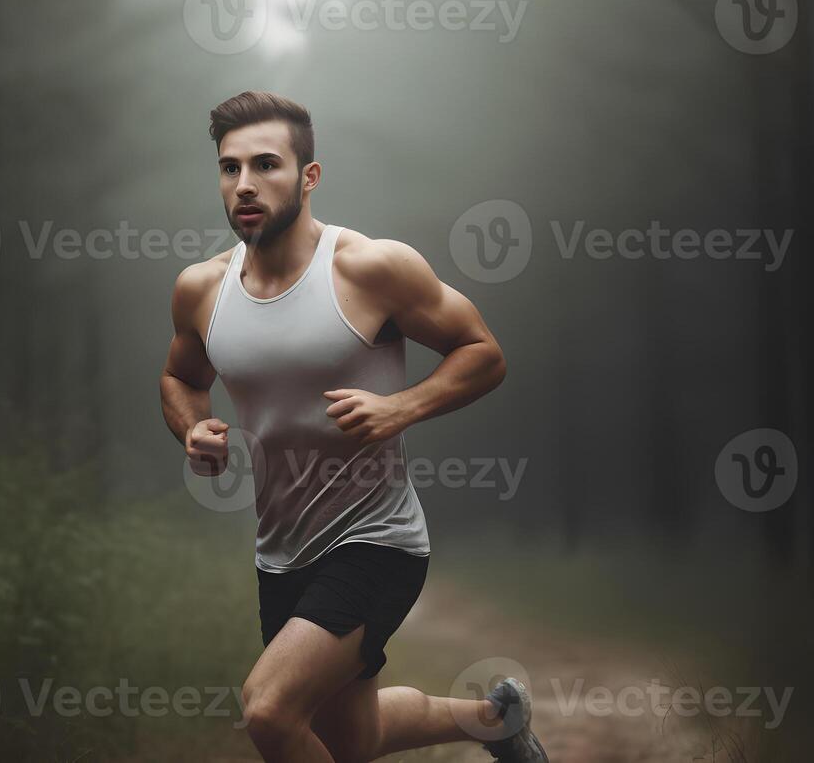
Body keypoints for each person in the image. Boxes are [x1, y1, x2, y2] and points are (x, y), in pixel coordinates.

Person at [160, 91, 549, 762]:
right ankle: (496, 719)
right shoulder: (201, 290)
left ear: (309, 176)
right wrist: (193, 428)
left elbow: (483, 353)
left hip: (378, 540)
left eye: (265, 165)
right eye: (230, 168)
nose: (245, 184)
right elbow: (181, 380)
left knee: (270, 711)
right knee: (352, 740)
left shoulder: (370, 268)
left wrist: (402, 406)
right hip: (281, 551)